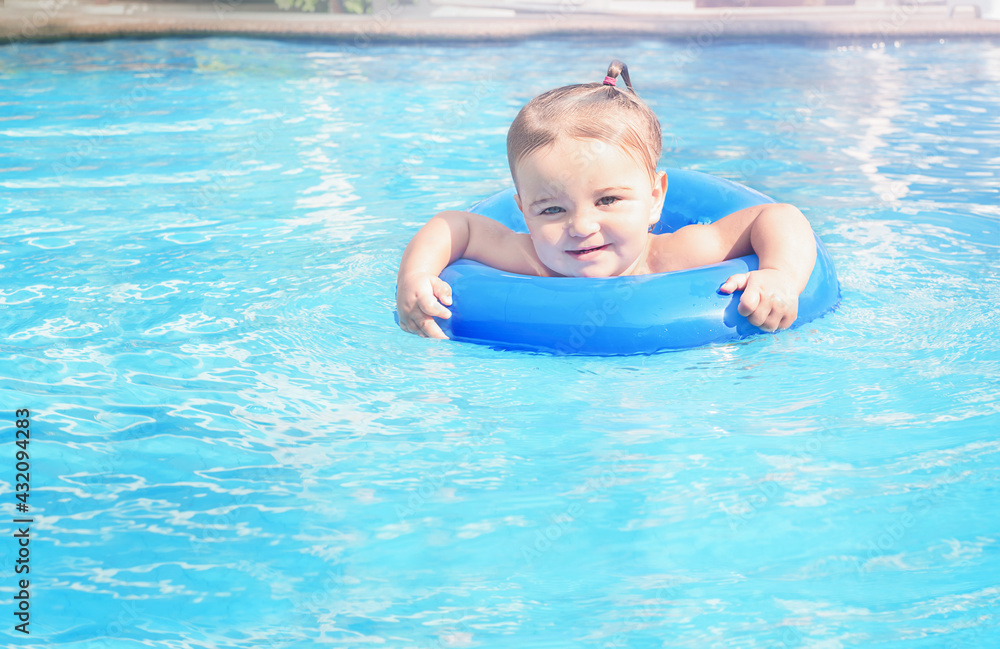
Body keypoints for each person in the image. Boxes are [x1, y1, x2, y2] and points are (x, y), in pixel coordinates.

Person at [396, 60, 817, 340]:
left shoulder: (675, 254)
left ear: (655, 199)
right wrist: (415, 278)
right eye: (552, 209)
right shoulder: (530, 259)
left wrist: (780, 274)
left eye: (608, 200)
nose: (581, 226)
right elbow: (455, 225)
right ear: (523, 212)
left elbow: (780, 217)